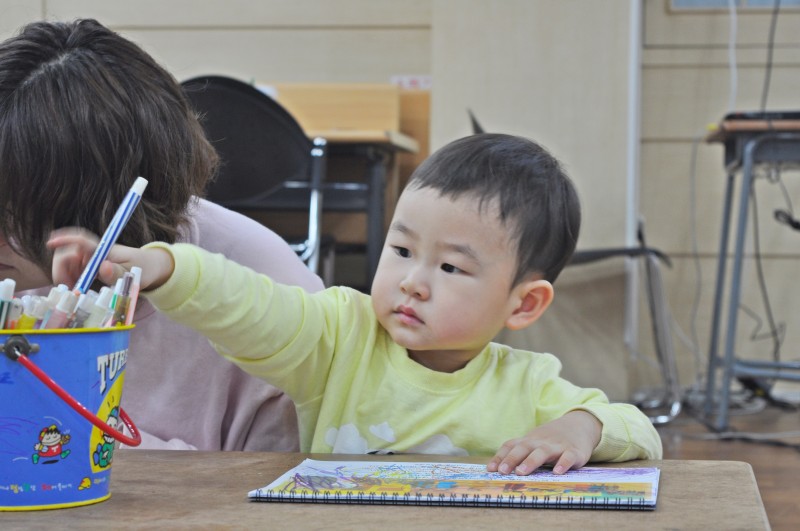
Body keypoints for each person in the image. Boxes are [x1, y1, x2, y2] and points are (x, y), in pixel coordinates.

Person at [50, 133, 663, 475]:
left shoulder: (529, 386)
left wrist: (579, 428)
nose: (413, 281)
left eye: (450, 267)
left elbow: (639, 432)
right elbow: (253, 308)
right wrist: (164, 267)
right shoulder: (341, 337)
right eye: (400, 249)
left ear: (524, 305)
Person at [0, 19, 324, 450]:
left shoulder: (264, 298)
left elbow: (271, 493)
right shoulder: (17, 268)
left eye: (12, 215)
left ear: (97, 209)